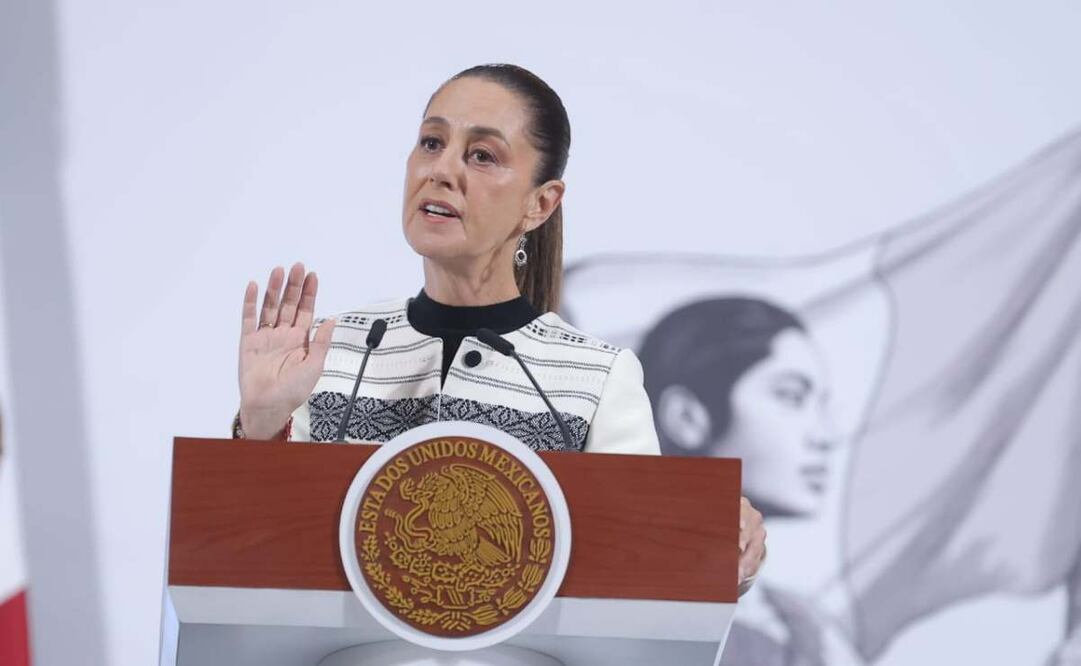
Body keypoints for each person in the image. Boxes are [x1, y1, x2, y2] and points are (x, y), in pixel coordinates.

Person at [232, 63, 766, 589]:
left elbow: (643, 563)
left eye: (482, 155)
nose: (439, 171)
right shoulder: (330, 351)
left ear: (541, 203)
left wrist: (719, 547)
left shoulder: (594, 376)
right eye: (431, 142)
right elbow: (251, 553)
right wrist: (260, 429)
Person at [640, 296, 856, 664]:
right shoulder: (619, 603)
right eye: (791, 396)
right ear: (688, 417)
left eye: (822, 403)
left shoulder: (809, 629)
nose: (827, 434)